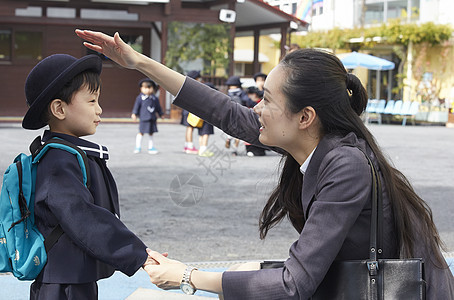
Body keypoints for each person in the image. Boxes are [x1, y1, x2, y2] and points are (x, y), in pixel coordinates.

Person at [75, 29, 454, 299]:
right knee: (244, 274)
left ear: (305, 117)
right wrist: (139, 62)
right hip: (351, 283)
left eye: (267, 100)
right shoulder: (316, 143)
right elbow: (224, 111)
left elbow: (294, 285)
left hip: (393, 291)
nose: (256, 108)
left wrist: (187, 276)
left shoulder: (345, 166)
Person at [22, 53, 155, 300]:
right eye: (92, 100)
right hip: (63, 283)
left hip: (72, 276)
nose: (99, 109)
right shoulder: (57, 161)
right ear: (59, 108)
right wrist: (139, 255)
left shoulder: (67, 154)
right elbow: (83, 217)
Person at [224, 75, 255, 155]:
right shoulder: (241, 93)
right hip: (239, 115)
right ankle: (234, 150)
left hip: (229, 116)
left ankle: (228, 138)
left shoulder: (228, 93)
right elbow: (247, 101)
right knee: (237, 135)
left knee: (230, 131)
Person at [131, 77, 163, 154]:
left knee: (151, 133)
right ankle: (138, 146)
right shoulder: (140, 98)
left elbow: (158, 107)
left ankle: (151, 147)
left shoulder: (154, 98)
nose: (147, 90)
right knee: (141, 132)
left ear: (153, 89)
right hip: (143, 118)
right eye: (145, 88)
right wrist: (134, 114)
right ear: (141, 88)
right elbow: (136, 106)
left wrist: (161, 114)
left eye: (149, 88)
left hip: (152, 118)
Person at [180, 70, 201, 154]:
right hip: (189, 111)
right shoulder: (193, 87)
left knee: (188, 128)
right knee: (190, 128)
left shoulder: (185, 85)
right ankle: (190, 146)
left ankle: (186, 145)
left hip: (185, 110)